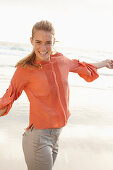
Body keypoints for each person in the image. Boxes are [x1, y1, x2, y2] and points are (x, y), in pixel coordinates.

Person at [0, 20, 113, 170]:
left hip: (56, 136)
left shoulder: (61, 60)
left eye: (48, 42)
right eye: (38, 42)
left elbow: (83, 67)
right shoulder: (25, 69)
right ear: (31, 41)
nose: (43, 48)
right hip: (38, 139)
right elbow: (8, 97)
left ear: (54, 41)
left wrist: (105, 63)